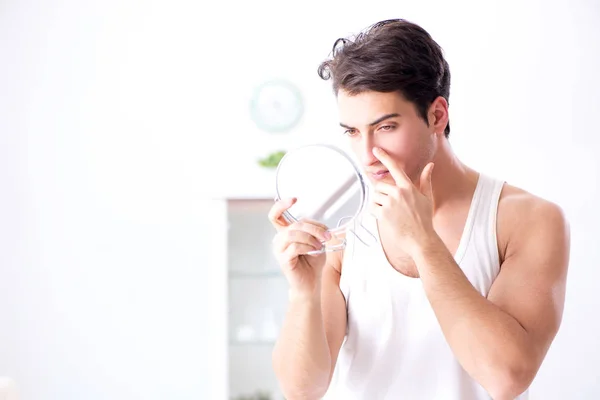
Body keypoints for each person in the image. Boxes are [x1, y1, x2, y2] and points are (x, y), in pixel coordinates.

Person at [268, 19, 570, 400]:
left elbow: (506, 378)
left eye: (386, 127)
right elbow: (303, 389)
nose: (367, 155)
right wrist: (304, 293)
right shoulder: (345, 226)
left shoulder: (526, 218)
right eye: (352, 132)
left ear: (437, 116)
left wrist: (424, 244)